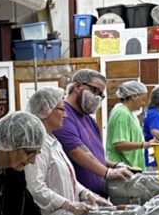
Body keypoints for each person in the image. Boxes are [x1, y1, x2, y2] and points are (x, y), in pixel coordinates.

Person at [25, 88, 112, 215]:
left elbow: (68, 177)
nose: (65, 115)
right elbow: (36, 187)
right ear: (46, 110)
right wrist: (69, 205)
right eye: (61, 109)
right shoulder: (39, 145)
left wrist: (86, 193)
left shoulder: (53, 140)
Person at [52, 69, 134, 197]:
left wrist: (114, 166)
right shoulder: (64, 116)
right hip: (79, 198)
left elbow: (94, 155)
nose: (97, 98)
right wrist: (107, 173)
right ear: (78, 86)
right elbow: (76, 152)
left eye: (101, 95)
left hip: (98, 196)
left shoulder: (89, 120)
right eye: (95, 91)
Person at [105, 80, 149, 170]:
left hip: (129, 168)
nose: (143, 103)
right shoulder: (122, 113)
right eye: (142, 99)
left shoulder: (128, 113)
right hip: (123, 169)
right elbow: (119, 144)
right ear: (134, 96)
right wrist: (144, 144)